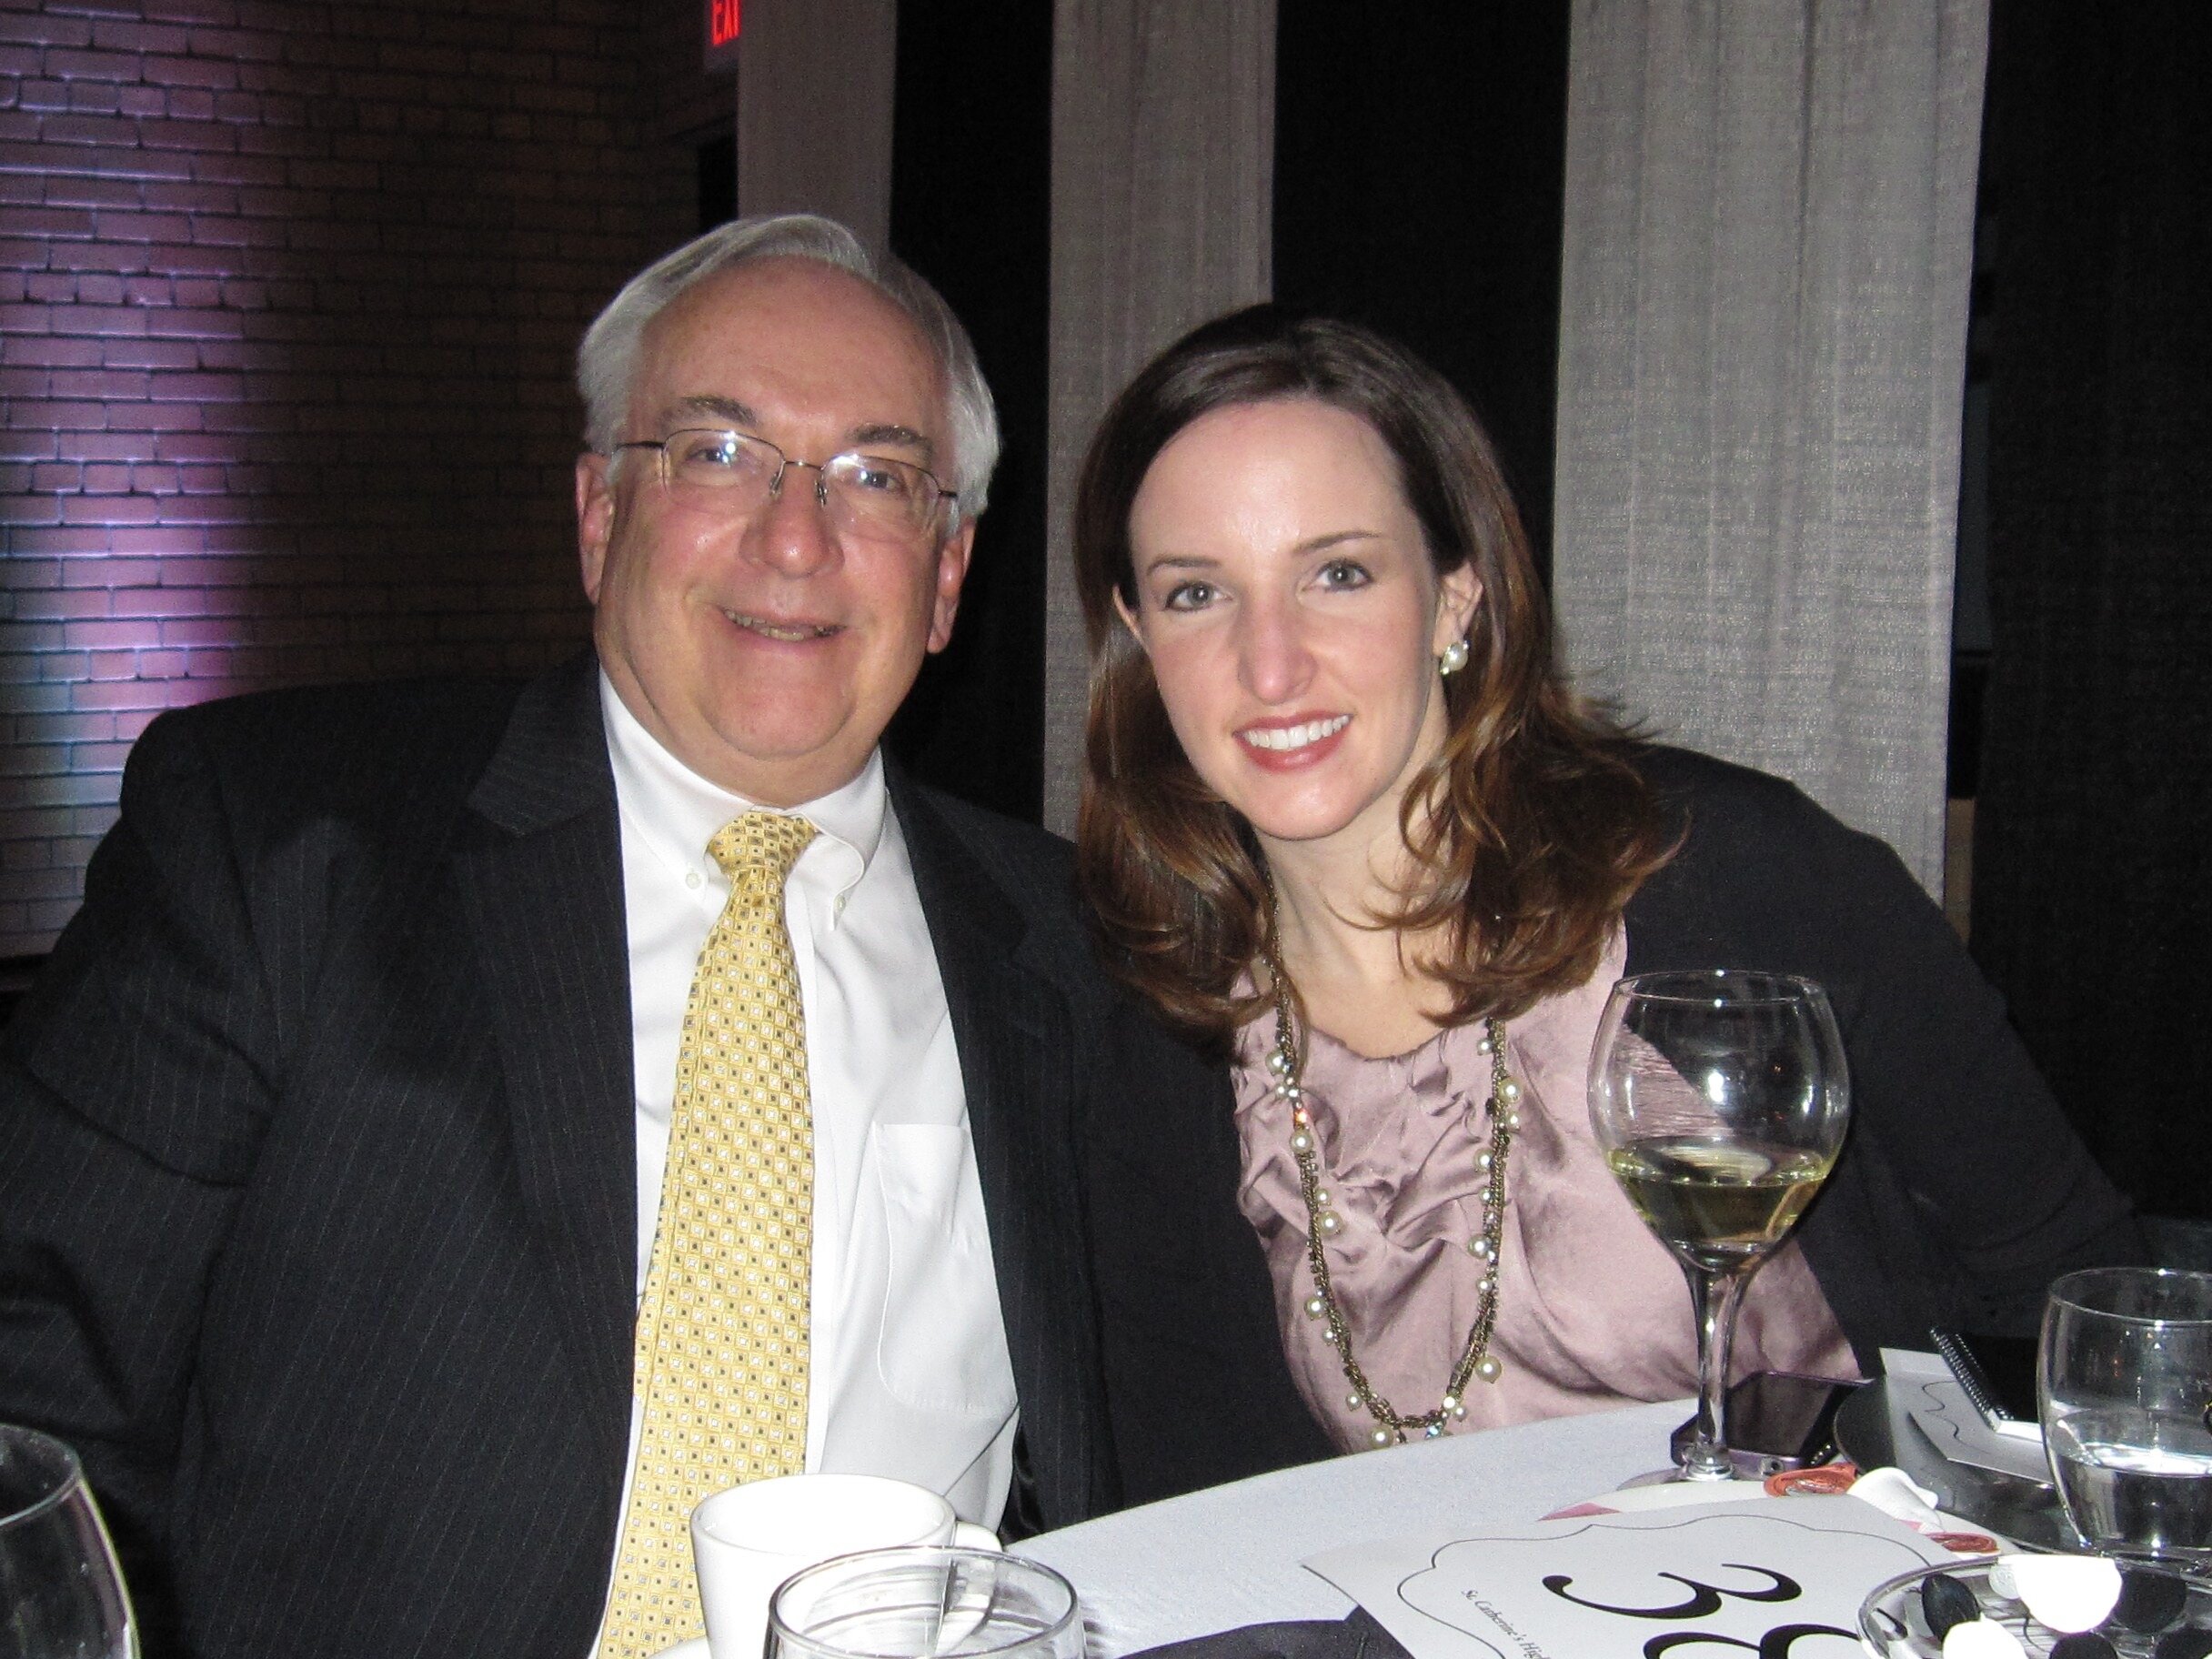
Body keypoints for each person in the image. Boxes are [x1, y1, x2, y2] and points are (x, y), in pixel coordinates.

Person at [0, 217, 1320, 1659]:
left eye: (876, 477)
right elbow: (37, 1402)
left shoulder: (1084, 952)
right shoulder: (280, 847)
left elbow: (1181, 1458)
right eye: (717, 452)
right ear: (596, 515)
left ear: (946, 578)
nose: (797, 538)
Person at [1070, 305, 2145, 1457]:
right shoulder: (1143, 1012)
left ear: (1454, 597)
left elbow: (2077, 1297)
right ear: (1137, 632)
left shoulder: (1740, 875)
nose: (1268, 663)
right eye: (1196, 592)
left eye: (1336, 572)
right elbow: (1189, 1469)